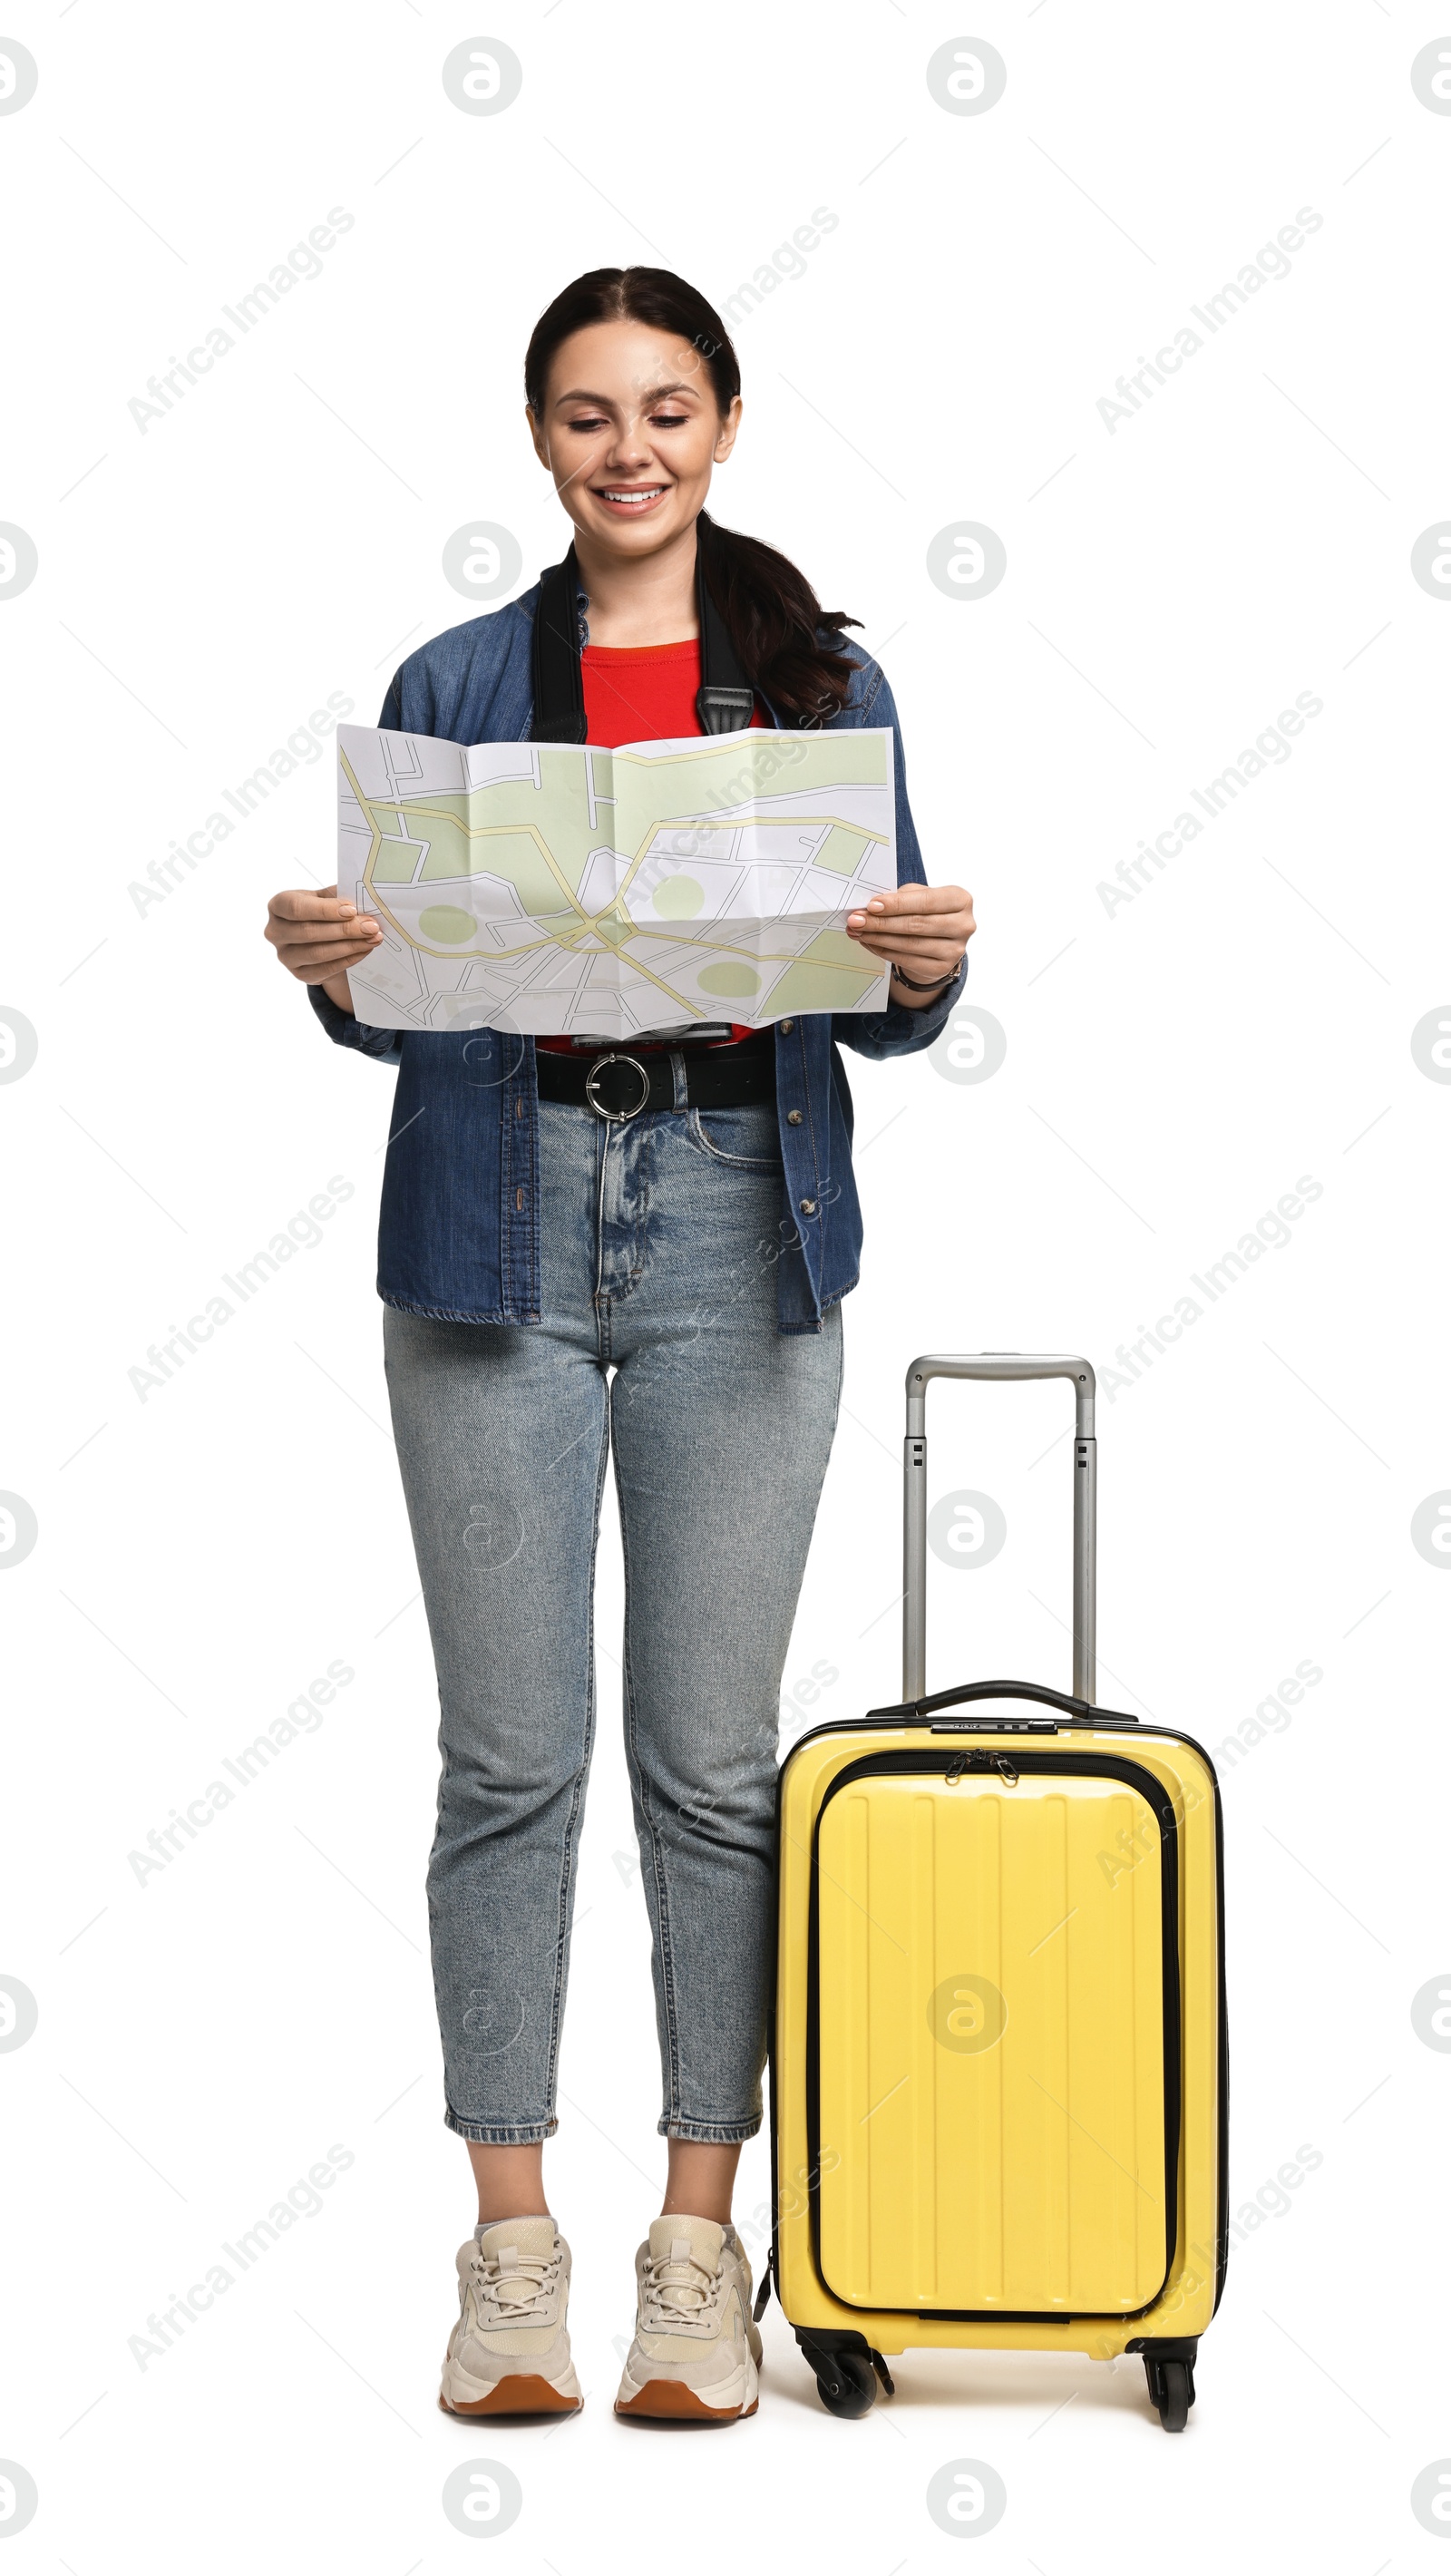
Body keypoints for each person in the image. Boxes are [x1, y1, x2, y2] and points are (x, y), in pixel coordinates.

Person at [264, 266, 975, 2425]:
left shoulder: (816, 675)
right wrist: (329, 960)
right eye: (588, 415)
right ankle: (507, 2251)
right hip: (494, 1211)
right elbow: (397, 992)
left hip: (735, 1225)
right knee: (509, 1757)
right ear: (540, 443)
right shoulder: (458, 674)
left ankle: (694, 2240)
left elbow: (888, 989)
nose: (629, 447)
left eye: (667, 408)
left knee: (706, 1759)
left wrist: (927, 961)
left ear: (728, 425)